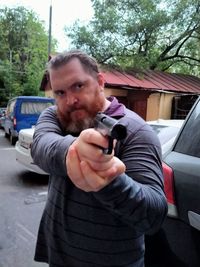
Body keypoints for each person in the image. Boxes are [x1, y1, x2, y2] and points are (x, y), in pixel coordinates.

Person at [31, 50, 168, 267]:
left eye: (78, 86)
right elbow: (40, 146)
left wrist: (110, 178)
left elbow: (154, 216)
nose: (70, 100)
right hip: (58, 257)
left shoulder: (136, 131)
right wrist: (74, 152)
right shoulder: (56, 116)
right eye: (60, 93)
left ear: (100, 82)